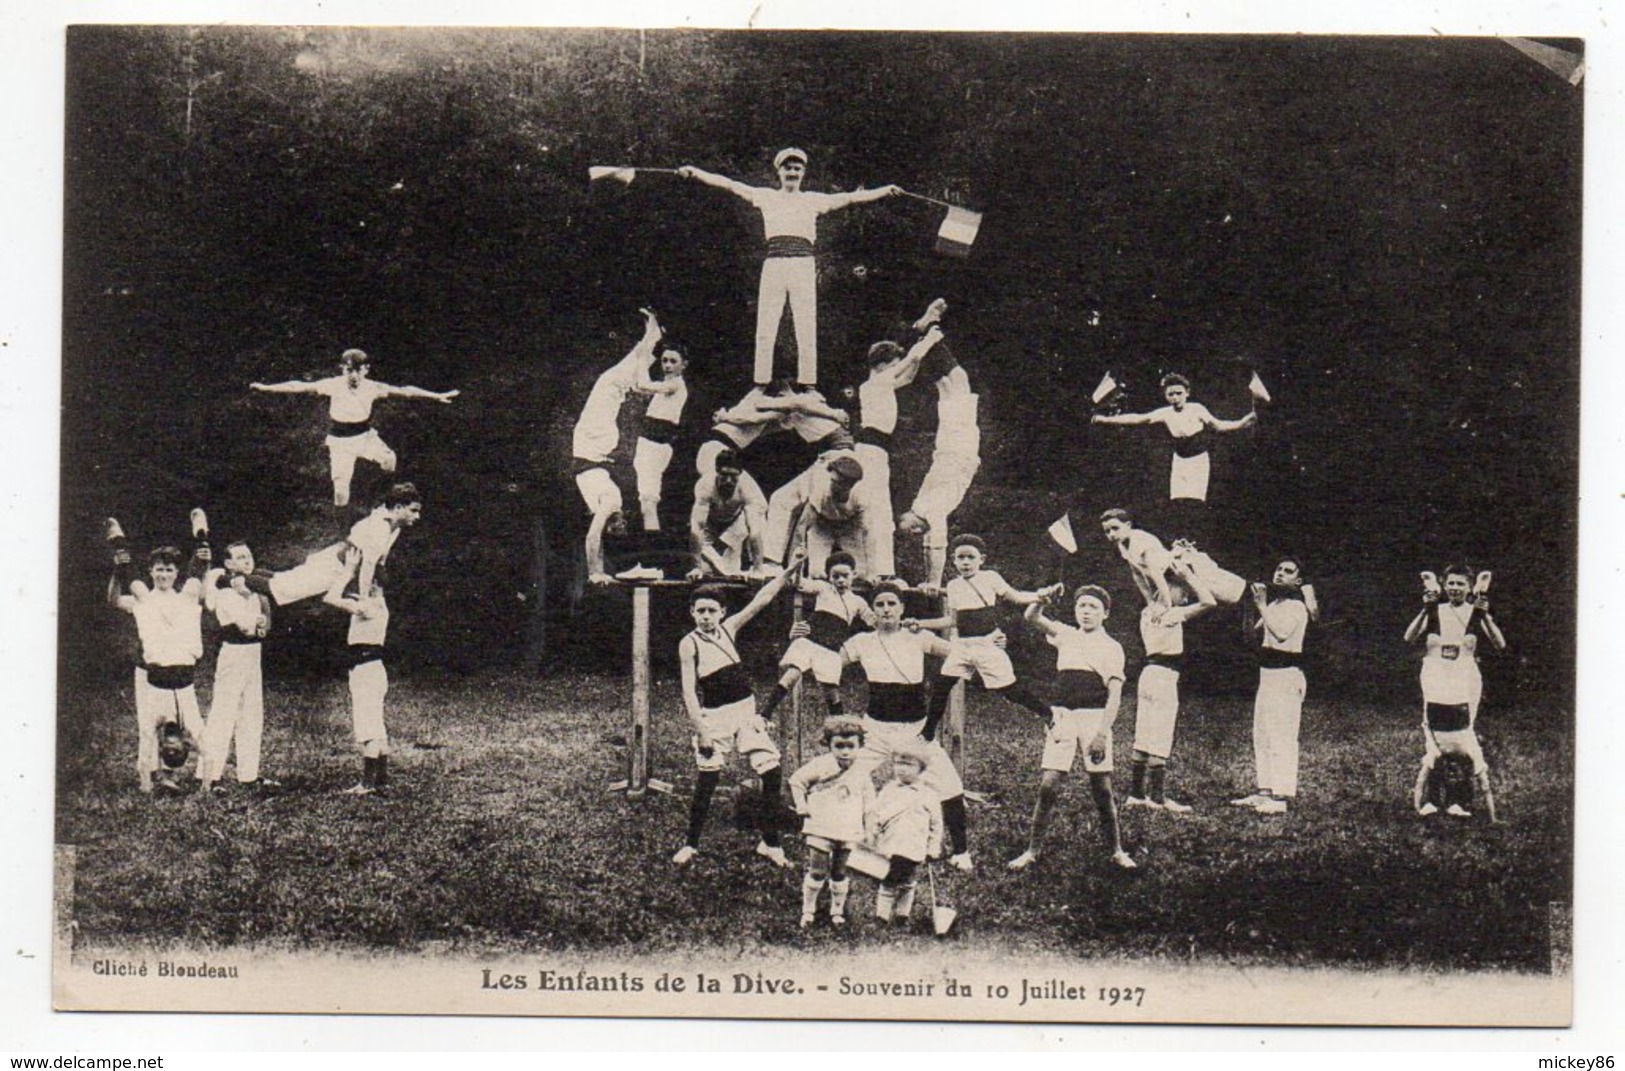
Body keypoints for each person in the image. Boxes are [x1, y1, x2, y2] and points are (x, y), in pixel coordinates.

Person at [906, 534, 1064, 871]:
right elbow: (951, 621)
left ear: (982, 558)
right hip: (963, 645)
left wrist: (1043, 594)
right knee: (943, 684)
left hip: (989, 646)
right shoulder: (953, 585)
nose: (964, 562)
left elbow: (1017, 597)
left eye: (970, 557)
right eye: (959, 557)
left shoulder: (991, 579)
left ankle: (1048, 713)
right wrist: (921, 623)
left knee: (1006, 689)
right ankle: (928, 731)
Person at [678, 149, 900, 386]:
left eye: (797, 168)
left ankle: (808, 384)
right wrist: (695, 173)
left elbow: (850, 198)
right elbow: (731, 185)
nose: (792, 172)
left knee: (805, 324)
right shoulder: (764, 196)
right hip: (774, 263)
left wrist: (886, 190)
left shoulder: (813, 199)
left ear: (803, 172)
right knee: (766, 325)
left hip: (803, 264)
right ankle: (761, 383)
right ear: (779, 171)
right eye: (788, 168)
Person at [673, 548, 807, 868]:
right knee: (708, 779)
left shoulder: (729, 628)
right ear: (692, 612)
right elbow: (690, 693)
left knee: (772, 773)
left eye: (712, 610)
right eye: (700, 611)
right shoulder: (689, 644)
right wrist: (702, 731)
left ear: (722, 612)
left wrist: (790, 569)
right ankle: (691, 844)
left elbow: (762, 599)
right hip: (715, 718)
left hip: (745, 712)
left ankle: (770, 842)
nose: (706, 616)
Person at [839, 580, 975, 871]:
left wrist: (989, 643)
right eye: (880, 604)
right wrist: (800, 637)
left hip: (915, 732)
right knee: (847, 780)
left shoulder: (919, 637)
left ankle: (961, 851)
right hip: (875, 730)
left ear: (902, 609)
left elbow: (960, 654)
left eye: (892, 604)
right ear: (872, 610)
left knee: (950, 785)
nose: (886, 609)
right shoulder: (861, 641)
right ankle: (849, 844)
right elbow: (826, 661)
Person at [1007, 586, 1136, 871]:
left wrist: (1102, 733)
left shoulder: (1112, 647)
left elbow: (1114, 694)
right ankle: (1032, 851)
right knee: (1048, 786)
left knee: (1101, 788)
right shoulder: (1066, 634)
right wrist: (1042, 599)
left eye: (1093, 607)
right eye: (1082, 606)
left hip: (1094, 718)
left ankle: (1116, 850)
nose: (1086, 612)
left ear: (1106, 613)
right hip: (1062, 716)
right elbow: (1032, 616)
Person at [250, 348, 457, 508]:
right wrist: (268, 388)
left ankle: (386, 502)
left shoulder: (373, 387)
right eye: (349, 370)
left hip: (365, 436)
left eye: (359, 370)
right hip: (340, 440)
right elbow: (299, 386)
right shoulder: (333, 384)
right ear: (342, 369)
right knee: (340, 491)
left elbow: (406, 392)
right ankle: (343, 530)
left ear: (366, 370)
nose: (354, 376)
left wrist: (436, 395)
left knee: (389, 459)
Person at [106, 512, 212, 793]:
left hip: (178, 679)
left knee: (191, 578)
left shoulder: (185, 598)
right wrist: (119, 566)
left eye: (169, 570)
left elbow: (200, 573)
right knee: (147, 732)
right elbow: (116, 597)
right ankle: (120, 540)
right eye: (159, 570)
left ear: (175, 573)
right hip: (161, 678)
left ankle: (120, 540)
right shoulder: (145, 598)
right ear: (152, 571)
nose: (164, 574)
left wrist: (203, 547)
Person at [1403, 565, 1505, 820]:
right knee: (1434, 734)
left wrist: (1485, 615)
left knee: (1461, 736)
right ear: (1443, 585)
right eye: (1451, 583)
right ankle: (1432, 798)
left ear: (1469, 587)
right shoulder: (1435, 609)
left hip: (1464, 677)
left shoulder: (1475, 612)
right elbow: (1409, 637)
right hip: (1435, 674)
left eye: (1460, 584)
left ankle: (1460, 799)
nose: (1455, 589)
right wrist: (1425, 609)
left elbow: (1499, 643)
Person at [573, 309, 664, 583]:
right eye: (624, 525)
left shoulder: (609, 504)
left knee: (612, 385)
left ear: (613, 526)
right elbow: (596, 538)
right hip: (594, 448)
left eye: (618, 527)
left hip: (591, 445)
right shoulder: (610, 503)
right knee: (613, 385)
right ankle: (650, 342)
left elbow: (593, 537)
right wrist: (598, 572)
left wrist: (595, 573)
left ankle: (650, 344)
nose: (622, 522)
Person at [896, 301, 980, 590]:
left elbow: (927, 544)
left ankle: (925, 333)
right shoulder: (933, 513)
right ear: (917, 528)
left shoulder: (922, 505)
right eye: (904, 525)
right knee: (952, 383)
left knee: (951, 384)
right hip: (959, 449)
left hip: (951, 449)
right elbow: (935, 544)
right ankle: (925, 333)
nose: (900, 519)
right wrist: (932, 580)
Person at [1123, 556, 1217, 813]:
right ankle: (1157, 798)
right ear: (1164, 590)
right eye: (1181, 592)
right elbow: (1209, 601)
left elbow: (1140, 581)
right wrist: (1186, 575)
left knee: (1144, 732)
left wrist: (1133, 559)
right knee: (1160, 734)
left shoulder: (1148, 610)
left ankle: (1136, 794)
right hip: (1164, 676)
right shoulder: (1170, 613)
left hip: (1148, 674)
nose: (1185, 597)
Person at [854, 321, 944, 580]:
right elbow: (911, 360)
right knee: (876, 509)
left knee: (881, 510)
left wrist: (919, 348)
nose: (896, 368)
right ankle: (878, 571)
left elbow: (909, 373)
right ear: (881, 365)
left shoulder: (882, 383)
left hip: (878, 451)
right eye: (894, 363)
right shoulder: (874, 384)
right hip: (870, 450)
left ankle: (882, 570)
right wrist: (930, 338)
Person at [242, 483, 424, 609]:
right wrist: (363, 598)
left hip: (342, 565)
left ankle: (248, 574)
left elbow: (379, 563)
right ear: (398, 508)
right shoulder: (380, 527)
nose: (417, 517)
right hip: (334, 566)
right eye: (413, 510)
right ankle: (231, 578)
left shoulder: (394, 527)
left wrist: (377, 585)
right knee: (285, 589)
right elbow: (367, 565)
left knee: (284, 580)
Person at [1089, 372, 1256, 506]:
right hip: (1179, 460)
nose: (1175, 397)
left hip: (1199, 460)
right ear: (1165, 396)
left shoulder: (1197, 409)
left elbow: (1218, 426)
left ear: (1187, 393)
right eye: (1171, 394)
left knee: (1197, 501)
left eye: (1179, 393)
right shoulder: (1164, 413)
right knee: (1178, 501)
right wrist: (1105, 419)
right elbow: (1137, 418)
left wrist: (1241, 423)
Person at [1231, 560, 1313, 815]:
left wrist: (1260, 606)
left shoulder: (1297, 607)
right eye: (1278, 569)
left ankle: (1281, 796)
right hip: (1267, 675)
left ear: (1297, 581)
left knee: (1282, 735)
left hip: (1287, 675)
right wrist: (1247, 605)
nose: (1280, 573)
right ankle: (1264, 791)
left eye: (1288, 571)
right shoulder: (1275, 605)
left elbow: (1280, 634)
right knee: (1263, 733)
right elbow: (1252, 637)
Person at [199, 540, 275, 794]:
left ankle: (249, 775)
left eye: (248, 556)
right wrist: (258, 621)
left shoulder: (253, 589)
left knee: (252, 714)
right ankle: (210, 777)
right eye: (240, 557)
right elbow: (245, 626)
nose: (247, 561)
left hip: (254, 653)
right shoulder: (225, 592)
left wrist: (260, 621)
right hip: (234, 653)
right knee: (224, 713)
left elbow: (263, 628)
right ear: (229, 563)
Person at [760, 551, 874, 722]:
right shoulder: (823, 589)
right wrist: (798, 565)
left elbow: (872, 620)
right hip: (810, 642)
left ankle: (839, 726)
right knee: (792, 674)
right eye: (836, 576)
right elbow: (799, 584)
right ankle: (765, 714)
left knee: (831, 692)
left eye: (845, 576)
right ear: (829, 577)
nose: (841, 580)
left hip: (831, 649)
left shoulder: (858, 601)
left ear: (854, 575)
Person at [787, 717, 876, 928]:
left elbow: (870, 803)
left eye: (850, 746)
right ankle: (808, 911)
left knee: (839, 872)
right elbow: (796, 781)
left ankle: (837, 912)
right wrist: (802, 805)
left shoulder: (862, 772)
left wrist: (870, 827)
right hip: (821, 827)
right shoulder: (821, 765)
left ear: (860, 746)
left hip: (847, 829)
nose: (845, 752)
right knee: (817, 870)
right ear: (829, 745)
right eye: (839, 746)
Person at [1099, 508, 1246, 613]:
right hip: (1171, 580)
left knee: (1230, 595)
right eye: (1107, 531)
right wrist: (1150, 602)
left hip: (1183, 569)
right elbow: (1137, 575)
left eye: (1115, 528)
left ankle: (1253, 597)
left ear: (1128, 525)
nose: (1111, 534)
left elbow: (1156, 573)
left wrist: (1167, 605)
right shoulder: (1121, 545)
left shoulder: (1140, 540)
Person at [762, 453, 875, 580]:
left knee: (860, 574)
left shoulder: (862, 496)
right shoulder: (820, 489)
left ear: (849, 485)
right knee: (817, 573)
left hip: (849, 527)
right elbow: (802, 529)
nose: (831, 485)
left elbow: (868, 534)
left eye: (836, 482)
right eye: (831, 480)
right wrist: (792, 568)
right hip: (822, 525)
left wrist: (872, 572)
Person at [868, 743, 943, 924]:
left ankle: (903, 914)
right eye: (898, 763)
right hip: (891, 844)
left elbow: (936, 824)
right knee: (888, 878)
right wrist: (873, 832)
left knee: (908, 879)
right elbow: (876, 813)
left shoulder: (928, 794)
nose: (902, 769)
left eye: (909, 764)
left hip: (913, 845)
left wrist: (933, 847)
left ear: (921, 768)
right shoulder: (888, 790)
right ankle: (882, 916)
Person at [632, 343, 689, 532]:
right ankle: (651, 553)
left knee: (648, 503)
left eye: (673, 361)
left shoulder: (675, 385)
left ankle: (652, 554)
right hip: (649, 446)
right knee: (646, 503)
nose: (668, 365)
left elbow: (642, 385)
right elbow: (639, 387)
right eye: (664, 360)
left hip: (655, 447)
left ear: (684, 365)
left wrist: (641, 358)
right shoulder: (666, 387)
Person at [688, 448, 768, 578]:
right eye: (724, 475)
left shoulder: (748, 488)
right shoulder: (705, 486)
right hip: (712, 522)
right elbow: (697, 528)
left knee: (730, 573)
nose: (728, 481)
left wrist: (758, 569)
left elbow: (754, 532)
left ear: (740, 474)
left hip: (738, 521)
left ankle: (758, 566)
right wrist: (696, 568)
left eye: (733, 476)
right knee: (706, 571)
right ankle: (712, 558)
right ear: (716, 472)